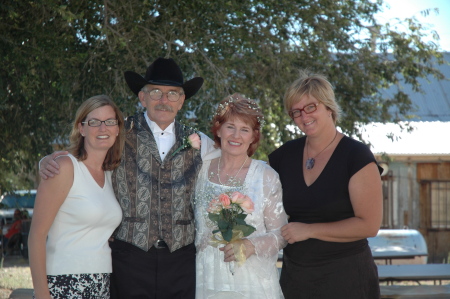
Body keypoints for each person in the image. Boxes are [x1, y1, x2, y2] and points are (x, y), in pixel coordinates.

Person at [39, 57, 218, 299]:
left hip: (181, 261)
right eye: (155, 92)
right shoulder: (118, 133)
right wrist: (47, 160)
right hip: (129, 259)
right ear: (142, 98)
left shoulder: (201, 141)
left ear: (182, 100)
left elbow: (233, 162)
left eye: (172, 94)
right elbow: (83, 156)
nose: (164, 100)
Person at [268, 71, 383, 299]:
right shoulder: (284, 156)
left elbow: (369, 225)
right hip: (296, 279)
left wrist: (309, 230)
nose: (304, 116)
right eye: (296, 112)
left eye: (311, 107)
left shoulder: (356, 156)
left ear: (329, 107)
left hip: (347, 278)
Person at [29, 95, 125, 298]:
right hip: (64, 282)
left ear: (117, 129)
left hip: (101, 282)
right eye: (94, 122)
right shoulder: (64, 167)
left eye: (109, 122)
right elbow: (36, 236)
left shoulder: (110, 174)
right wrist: (41, 294)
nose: (103, 128)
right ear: (81, 128)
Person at [195, 93, 288, 298]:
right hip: (207, 278)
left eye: (244, 129)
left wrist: (251, 245)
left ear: (254, 136)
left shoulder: (266, 177)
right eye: (230, 127)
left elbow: (281, 234)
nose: (236, 136)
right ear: (218, 129)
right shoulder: (200, 171)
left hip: (251, 283)